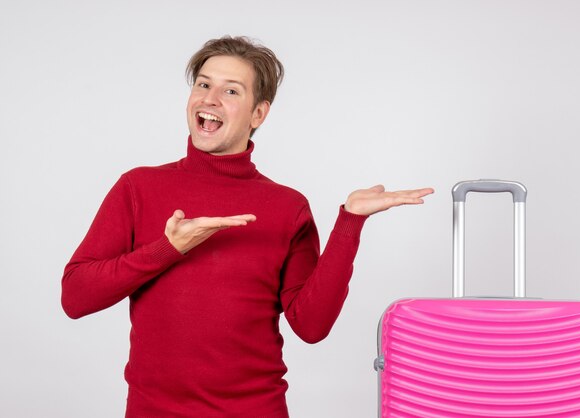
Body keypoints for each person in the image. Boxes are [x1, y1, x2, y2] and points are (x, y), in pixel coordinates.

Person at [61, 36, 434, 417]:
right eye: (204, 84)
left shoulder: (287, 207)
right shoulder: (138, 187)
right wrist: (167, 249)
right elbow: (75, 297)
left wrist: (350, 221)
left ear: (258, 114)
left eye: (231, 91)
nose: (210, 99)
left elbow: (312, 326)